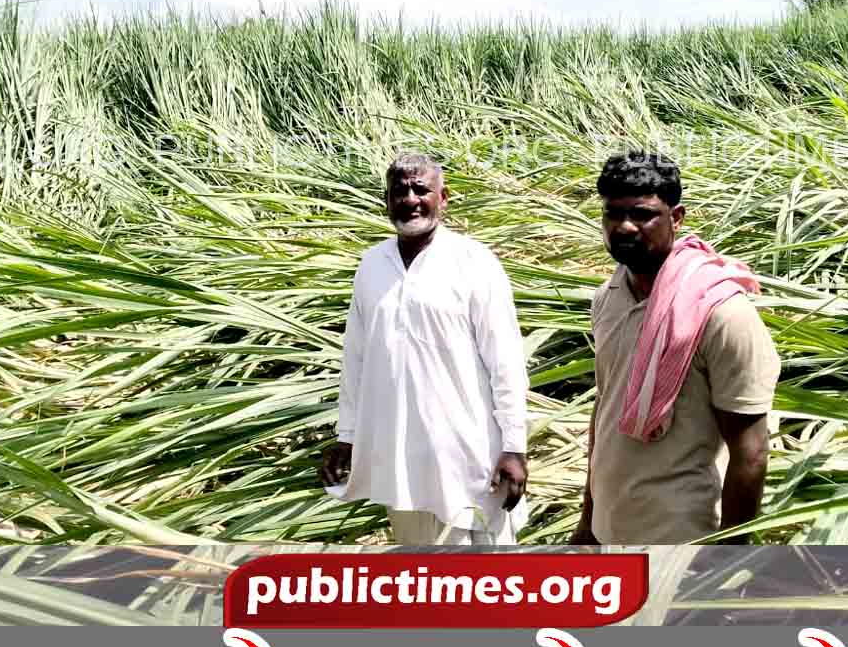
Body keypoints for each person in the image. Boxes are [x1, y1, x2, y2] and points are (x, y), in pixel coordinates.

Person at [317, 152, 530, 545]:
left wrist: (514, 446)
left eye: (421, 190)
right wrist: (347, 436)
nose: (411, 200)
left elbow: (506, 362)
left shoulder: (473, 262)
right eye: (400, 192)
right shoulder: (372, 265)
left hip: (470, 457)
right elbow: (356, 358)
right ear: (387, 201)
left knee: (491, 590)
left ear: (443, 198)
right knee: (424, 582)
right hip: (402, 462)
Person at [573, 150, 780, 545]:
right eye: (613, 214)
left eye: (643, 214)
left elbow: (750, 453)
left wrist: (723, 560)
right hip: (611, 528)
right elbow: (605, 408)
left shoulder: (720, 313)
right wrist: (589, 521)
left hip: (681, 538)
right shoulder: (609, 296)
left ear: (677, 217)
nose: (625, 227)